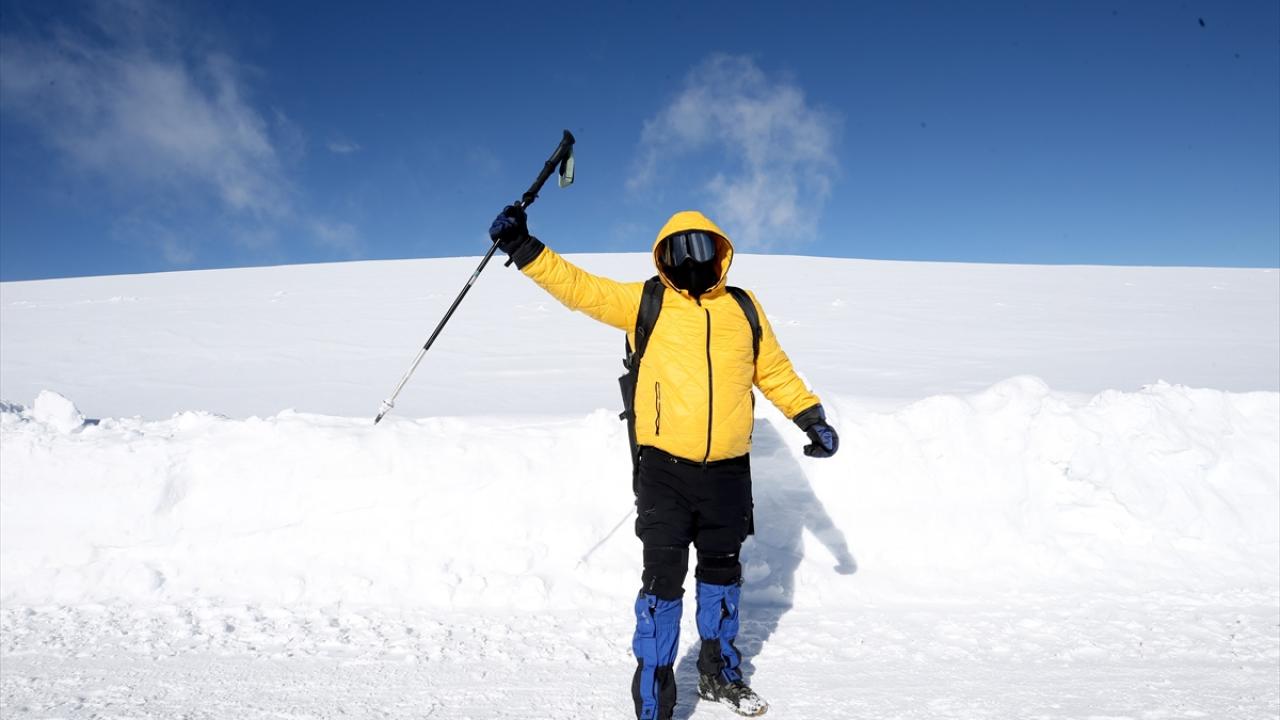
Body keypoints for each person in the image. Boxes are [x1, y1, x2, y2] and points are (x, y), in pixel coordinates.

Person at [488, 206, 839, 719]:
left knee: (723, 576)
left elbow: (775, 370)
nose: (691, 258)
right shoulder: (645, 301)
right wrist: (524, 248)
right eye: (680, 248)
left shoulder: (743, 308)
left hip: (728, 474)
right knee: (662, 583)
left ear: (720, 252)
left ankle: (720, 674)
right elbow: (580, 288)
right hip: (664, 473)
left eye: (702, 247)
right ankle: (655, 695)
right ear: (663, 254)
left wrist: (810, 417)